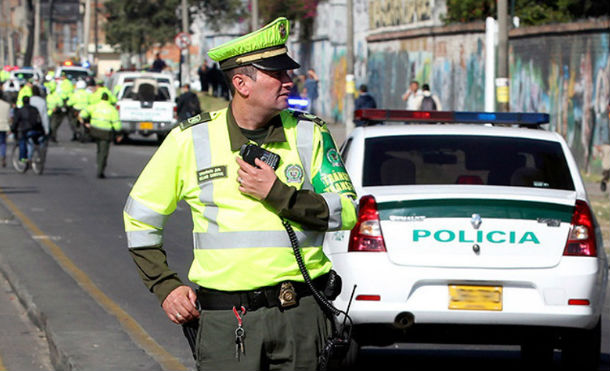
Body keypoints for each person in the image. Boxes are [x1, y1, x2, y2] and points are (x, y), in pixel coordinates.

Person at [123, 17, 357, 371]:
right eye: (277, 74)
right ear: (241, 83)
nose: (289, 80)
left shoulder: (311, 134)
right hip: (226, 321)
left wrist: (279, 194)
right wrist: (164, 286)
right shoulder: (190, 140)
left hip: (303, 315)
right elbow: (140, 217)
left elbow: (348, 210)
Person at [79, 93, 122, 178]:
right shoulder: (112, 109)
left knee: (99, 150)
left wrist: (85, 124)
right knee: (103, 152)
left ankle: (99, 164)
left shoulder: (95, 106)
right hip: (105, 133)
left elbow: (82, 114)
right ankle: (100, 170)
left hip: (94, 131)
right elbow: (117, 125)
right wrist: (119, 134)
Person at [11, 96, 43, 162]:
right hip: (36, 129)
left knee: (22, 141)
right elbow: (39, 119)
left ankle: (23, 158)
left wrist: (13, 129)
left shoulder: (21, 110)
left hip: (25, 130)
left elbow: (15, 122)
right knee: (35, 141)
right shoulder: (35, 109)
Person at [0, 87, 10, 167]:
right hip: (3, 126)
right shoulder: (7, 105)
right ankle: (2, 156)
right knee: (3, 143)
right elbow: (9, 117)